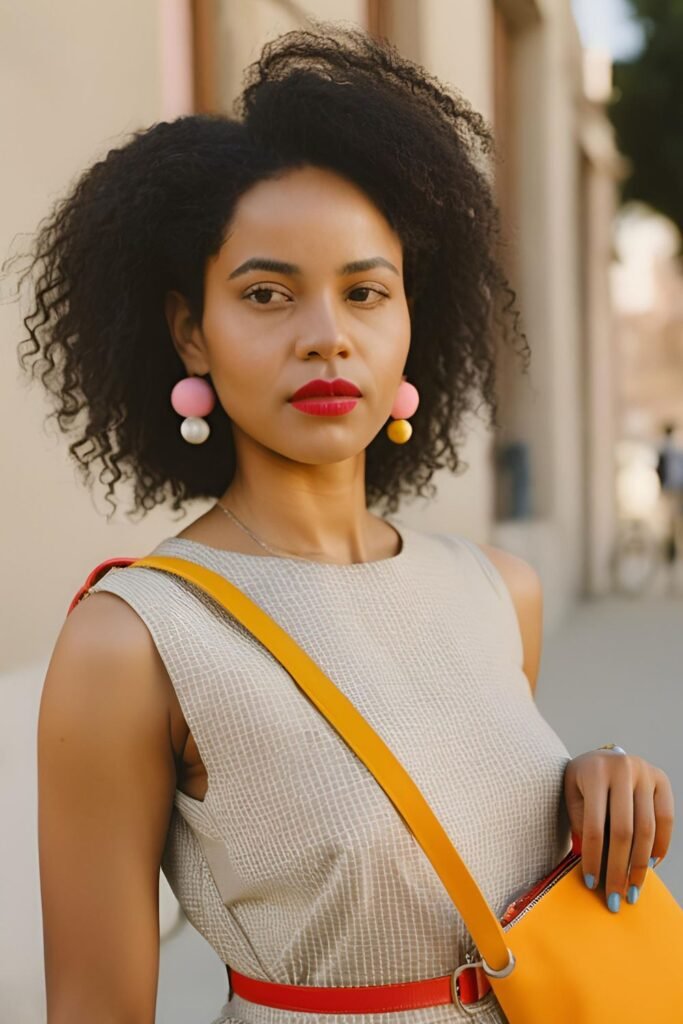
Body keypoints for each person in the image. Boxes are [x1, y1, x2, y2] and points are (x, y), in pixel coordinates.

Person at [17, 24, 673, 1024]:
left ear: (413, 316)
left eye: (365, 291)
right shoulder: (132, 640)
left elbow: (448, 821)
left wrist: (581, 788)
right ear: (190, 330)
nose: (326, 335)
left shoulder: (499, 590)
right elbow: (95, 1009)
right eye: (266, 293)